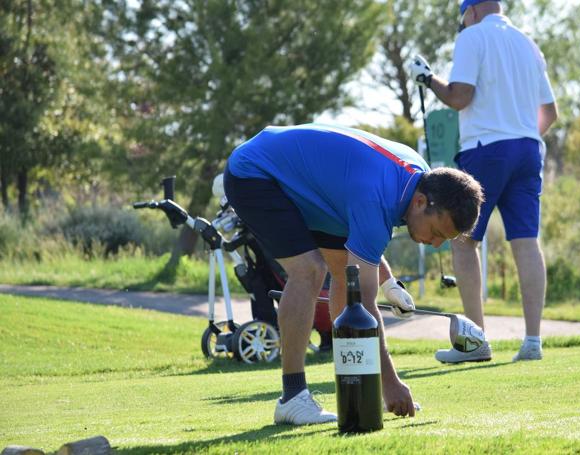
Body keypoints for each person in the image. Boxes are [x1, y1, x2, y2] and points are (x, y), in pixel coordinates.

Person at [223, 123, 484, 425]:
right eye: (437, 232)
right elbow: (364, 303)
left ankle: (357, 386)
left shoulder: (421, 179)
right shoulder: (377, 196)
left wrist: (389, 283)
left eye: (444, 239)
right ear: (421, 202)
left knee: (344, 281)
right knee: (310, 271)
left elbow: (361, 250)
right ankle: (292, 397)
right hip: (255, 172)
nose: (435, 243)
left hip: (316, 191)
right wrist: (390, 383)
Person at [409, 0, 558, 363]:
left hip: (486, 148)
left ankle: (476, 343)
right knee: (526, 242)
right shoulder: (528, 43)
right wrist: (519, 134)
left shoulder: (472, 36)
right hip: (528, 149)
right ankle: (533, 342)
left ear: (472, 11)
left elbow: (460, 97)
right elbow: (550, 114)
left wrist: (427, 79)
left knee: (463, 240)